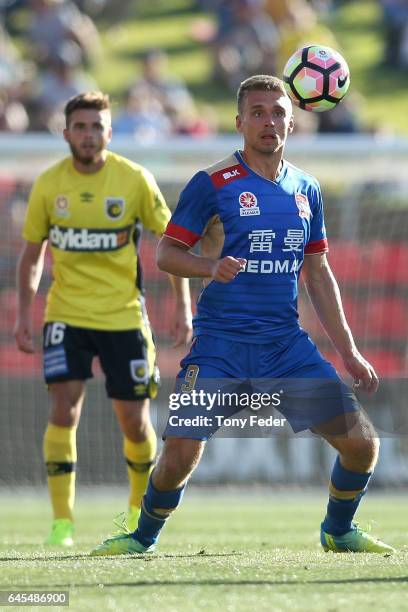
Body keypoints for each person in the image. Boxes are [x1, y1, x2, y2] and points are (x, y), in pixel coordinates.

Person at [90, 76, 394, 556]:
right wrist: (210, 266)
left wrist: (350, 352)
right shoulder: (211, 184)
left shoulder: (306, 189)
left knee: (363, 446)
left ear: (292, 121)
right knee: (178, 456)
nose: (268, 121)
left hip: (285, 348)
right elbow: (168, 253)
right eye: (257, 113)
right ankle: (140, 538)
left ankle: (337, 531)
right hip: (220, 347)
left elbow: (318, 273)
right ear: (239, 122)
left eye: (277, 112)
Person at [14, 91, 192, 547]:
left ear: (110, 133)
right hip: (66, 315)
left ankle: (137, 510)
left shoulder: (133, 179)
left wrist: (182, 306)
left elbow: (171, 242)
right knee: (62, 409)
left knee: (134, 421)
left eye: (98, 127)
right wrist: (23, 315)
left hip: (124, 318)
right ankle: (62, 524)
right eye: (81, 127)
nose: (89, 135)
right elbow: (32, 256)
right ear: (66, 131)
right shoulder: (50, 185)